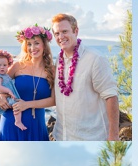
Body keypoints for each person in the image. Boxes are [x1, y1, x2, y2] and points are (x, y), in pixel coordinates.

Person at [51, 13, 120, 141]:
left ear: (76, 31)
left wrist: (114, 137)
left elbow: (111, 96)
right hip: (61, 136)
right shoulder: (59, 61)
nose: (60, 37)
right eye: (57, 33)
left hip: (91, 138)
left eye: (64, 31)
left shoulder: (95, 59)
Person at [0, 25, 56, 141]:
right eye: (29, 44)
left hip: (36, 123)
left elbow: (54, 100)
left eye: (36, 43)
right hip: (10, 120)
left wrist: (27, 104)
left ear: (44, 45)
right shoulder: (18, 66)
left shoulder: (52, 71)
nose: (33, 48)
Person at [0, 51, 26, 131]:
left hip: (10, 96)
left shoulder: (6, 76)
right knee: (17, 106)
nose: (2, 67)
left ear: (8, 66)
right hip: (7, 97)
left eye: (5, 65)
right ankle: (18, 121)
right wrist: (8, 91)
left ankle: (18, 120)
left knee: (18, 105)